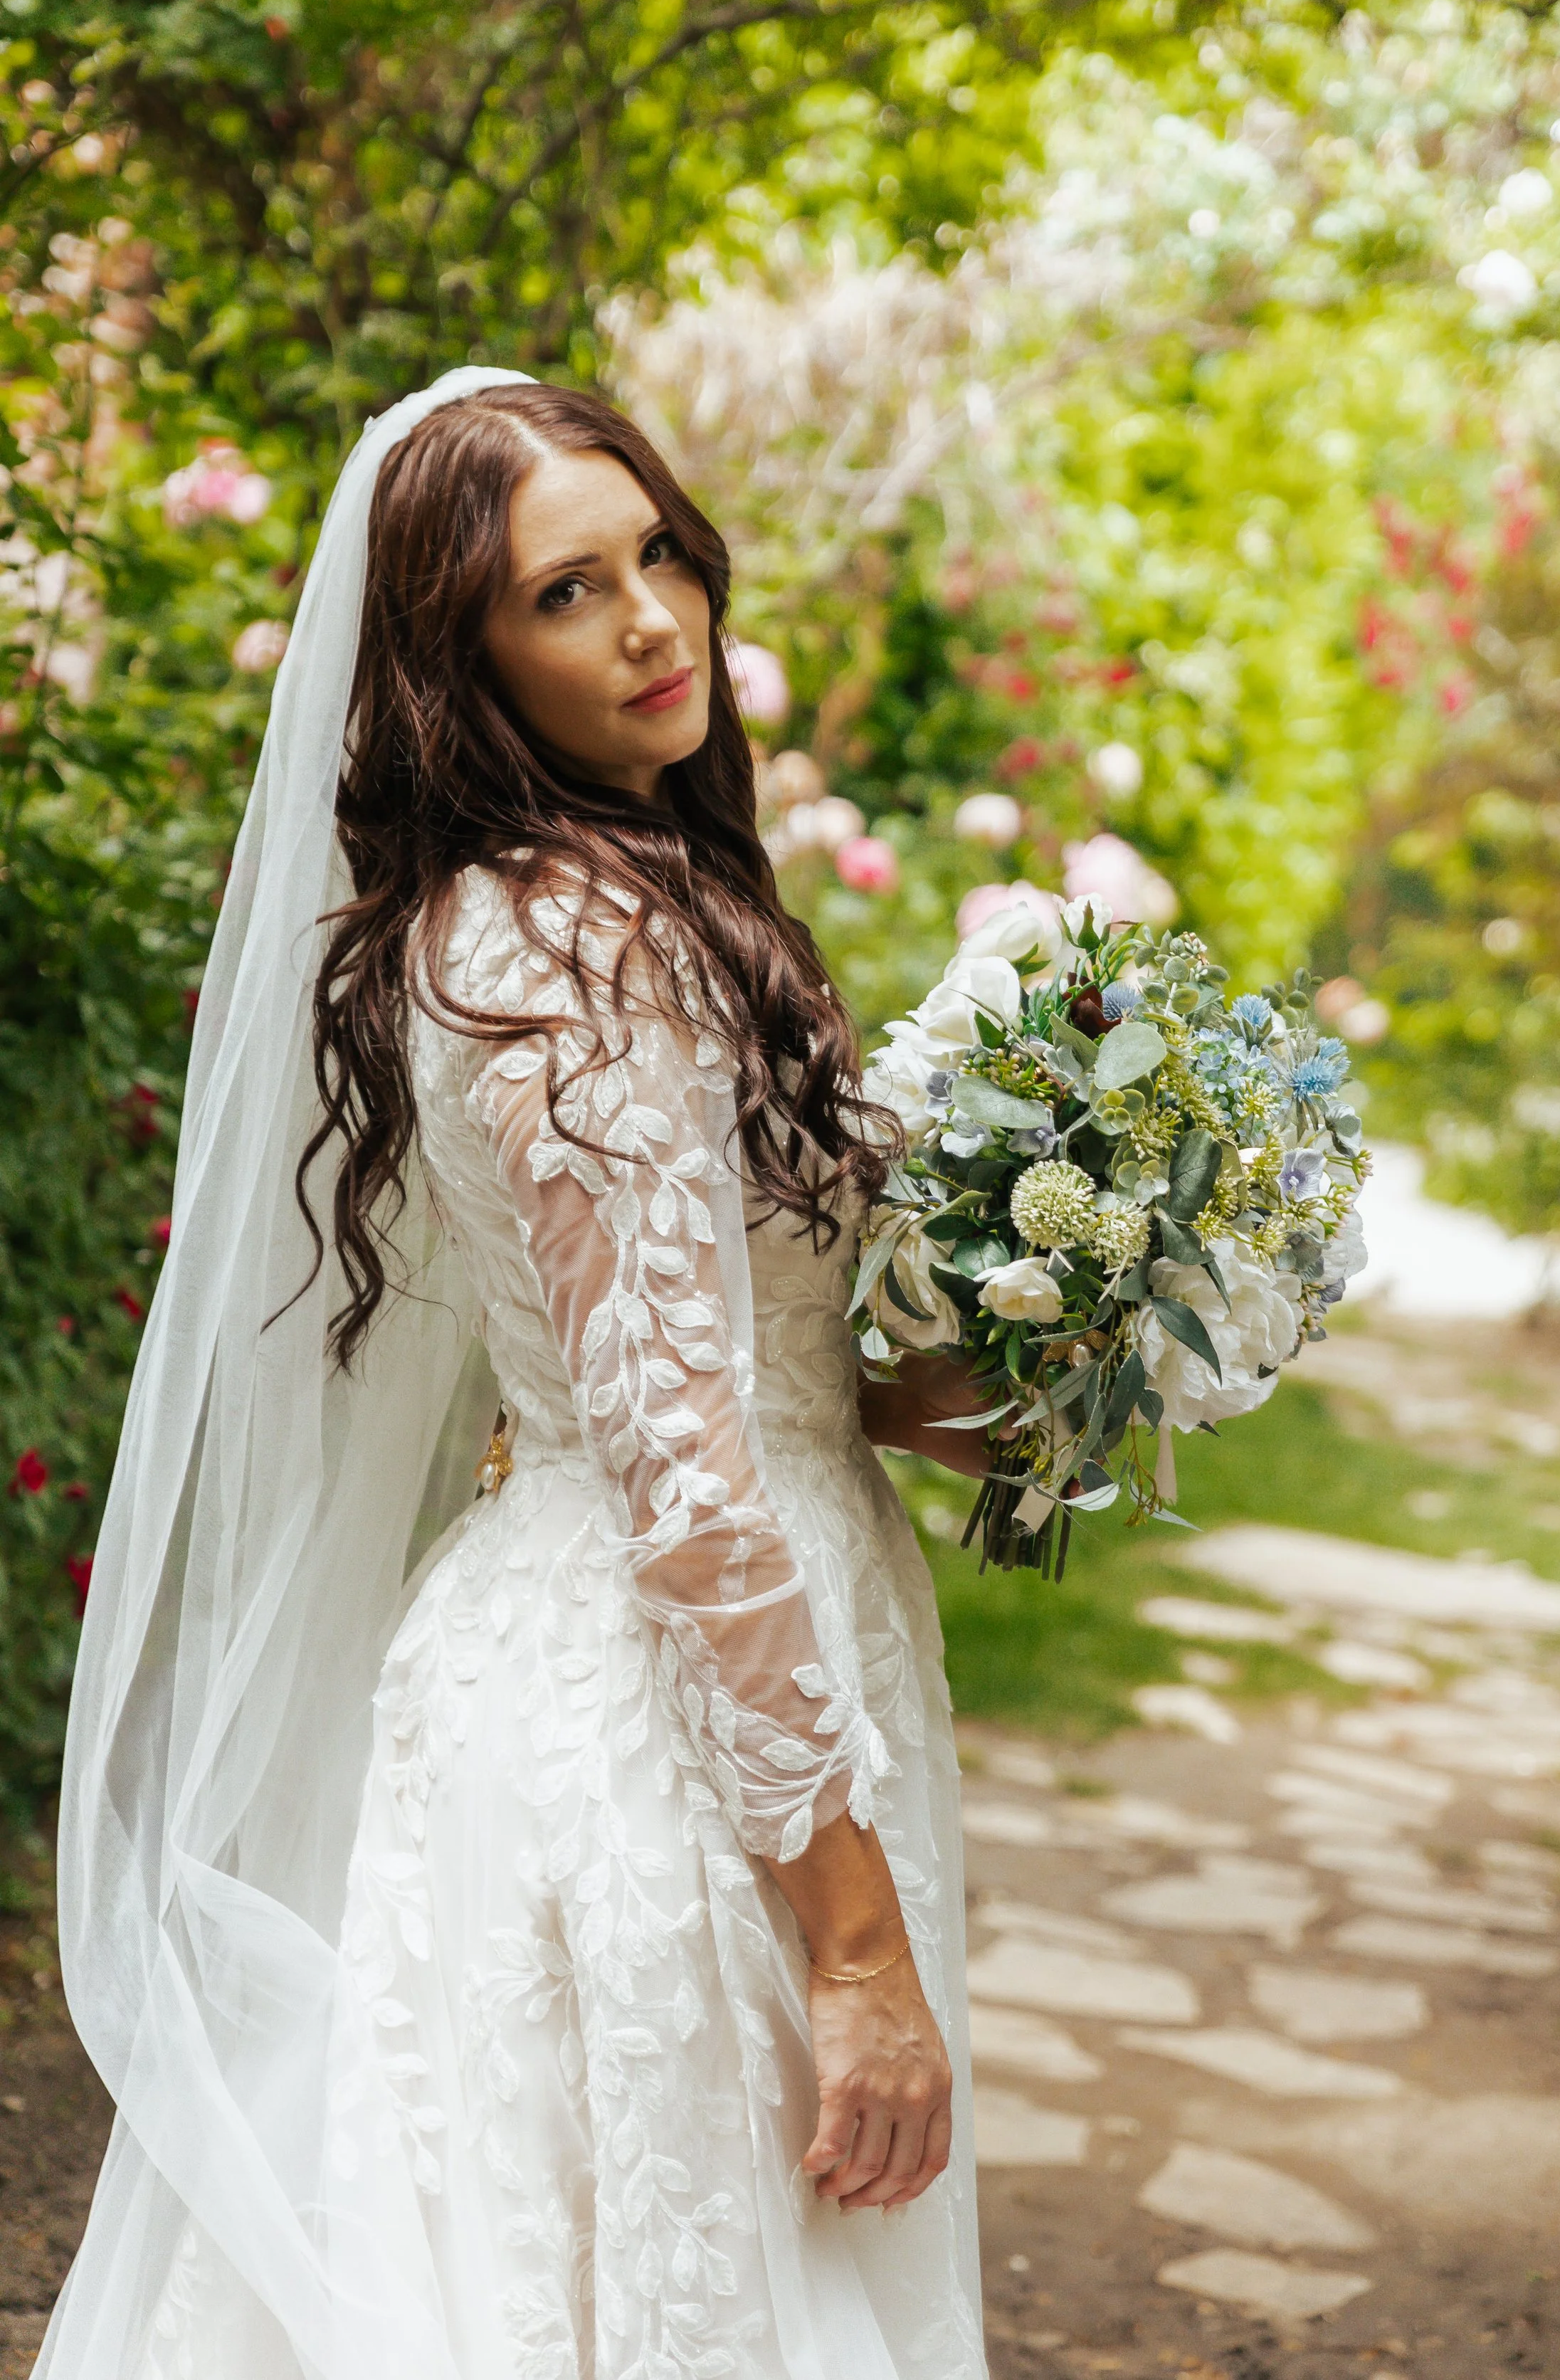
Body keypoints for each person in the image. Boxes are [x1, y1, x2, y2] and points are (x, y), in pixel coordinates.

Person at [41, 371, 993, 2380]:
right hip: (652, 1727)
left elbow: (771, 1353)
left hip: (688, 1654)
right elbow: (685, 1472)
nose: (653, 619)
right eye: (568, 592)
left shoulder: (637, 893)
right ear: (458, 661)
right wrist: (852, 1939)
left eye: (657, 555)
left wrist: (1061, 1368)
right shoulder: (563, 950)